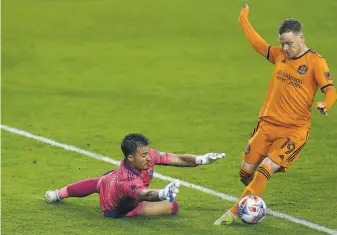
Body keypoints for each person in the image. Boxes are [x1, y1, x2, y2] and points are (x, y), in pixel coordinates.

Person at [214, 3, 336, 225]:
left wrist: (325, 104)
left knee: (264, 168)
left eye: (289, 43)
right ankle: (261, 184)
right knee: (245, 173)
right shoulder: (280, 55)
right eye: (283, 43)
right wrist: (244, 20)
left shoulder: (316, 62)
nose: (286, 48)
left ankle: (232, 213)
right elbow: (259, 45)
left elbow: (330, 89)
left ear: (301, 38)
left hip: (294, 130)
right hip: (267, 125)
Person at [45, 133, 226, 218]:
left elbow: (177, 158)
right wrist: (163, 194)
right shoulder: (127, 179)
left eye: (147, 152)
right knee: (173, 207)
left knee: (98, 183)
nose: (149, 157)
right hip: (115, 208)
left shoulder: (146, 157)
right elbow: (143, 194)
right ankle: (59, 194)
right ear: (131, 158)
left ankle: (58, 194)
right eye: (144, 155)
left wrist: (202, 159)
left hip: (109, 181)